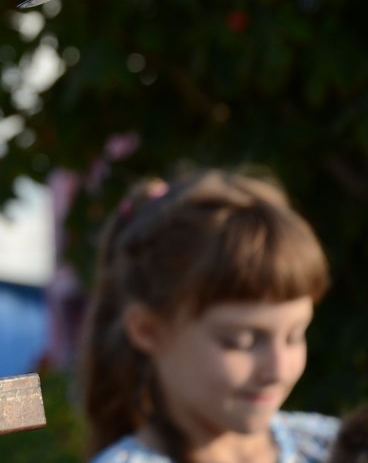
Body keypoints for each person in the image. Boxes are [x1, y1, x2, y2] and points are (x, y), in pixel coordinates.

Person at [79, 168, 338, 462]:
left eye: (294, 336)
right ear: (148, 330)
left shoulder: (331, 447)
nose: (278, 369)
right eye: (241, 341)